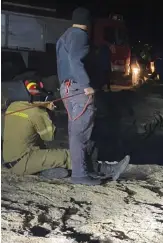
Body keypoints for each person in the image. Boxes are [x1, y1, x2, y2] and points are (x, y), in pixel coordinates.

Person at [56, 7, 130, 185]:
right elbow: (76, 60)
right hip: (77, 89)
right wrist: (86, 85)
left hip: (67, 88)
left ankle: (85, 170)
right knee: (81, 133)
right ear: (88, 22)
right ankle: (80, 175)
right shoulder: (79, 35)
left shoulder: (64, 36)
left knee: (75, 132)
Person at [2, 80, 129, 181]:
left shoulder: (12, 107)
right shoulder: (36, 112)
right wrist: (49, 113)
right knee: (70, 156)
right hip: (24, 160)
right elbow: (49, 136)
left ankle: (44, 171)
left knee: (54, 157)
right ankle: (109, 169)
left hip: (10, 159)